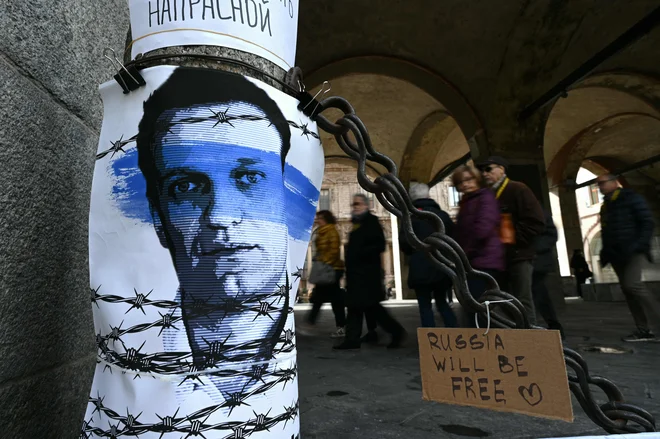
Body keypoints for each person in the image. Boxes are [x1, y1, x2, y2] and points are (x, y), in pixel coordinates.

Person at [136, 69, 292, 395]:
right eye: (187, 186)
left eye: (249, 177)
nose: (220, 216)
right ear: (158, 216)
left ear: (288, 200)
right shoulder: (128, 345)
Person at [478, 156, 545, 325]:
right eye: (482, 170)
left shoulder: (518, 189)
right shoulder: (488, 195)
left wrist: (513, 240)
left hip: (518, 256)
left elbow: (535, 221)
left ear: (502, 169)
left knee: (522, 299)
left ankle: (529, 338)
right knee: (500, 299)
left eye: (488, 169)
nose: (484, 174)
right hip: (498, 258)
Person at [335, 194, 406, 350]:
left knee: (373, 309)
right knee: (355, 308)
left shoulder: (371, 222)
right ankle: (352, 339)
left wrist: (360, 254)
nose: (356, 207)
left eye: (358, 204)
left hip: (367, 276)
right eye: (354, 204)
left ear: (367, 206)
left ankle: (397, 332)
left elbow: (379, 245)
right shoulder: (356, 224)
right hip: (357, 275)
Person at [597, 174, 660, 342]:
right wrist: (606, 252)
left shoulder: (630, 198)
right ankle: (643, 330)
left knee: (633, 285)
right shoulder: (607, 205)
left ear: (614, 182)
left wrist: (639, 245)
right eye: (598, 184)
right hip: (617, 254)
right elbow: (607, 230)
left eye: (602, 183)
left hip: (632, 250)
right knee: (628, 290)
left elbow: (647, 222)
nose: (600, 187)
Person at [399, 183, 458, 328]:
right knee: (442, 303)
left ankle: (430, 343)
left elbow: (404, 243)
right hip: (441, 266)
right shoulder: (443, 216)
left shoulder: (410, 218)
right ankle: (456, 337)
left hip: (420, 267)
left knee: (424, 307)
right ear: (428, 195)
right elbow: (453, 240)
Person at [452, 166, 505, 305]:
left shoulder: (485, 198)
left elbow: (483, 228)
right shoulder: (467, 201)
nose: (465, 184)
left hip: (484, 259)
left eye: (469, 179)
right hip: (473, 260)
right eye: (460, 182)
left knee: (479, 307)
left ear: (477, 179)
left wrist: (466, 251)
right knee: (474, 306)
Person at [304, 210, 346, 338]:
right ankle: (340, 326)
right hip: (326, 268)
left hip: (331, 269)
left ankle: (311, 323)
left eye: (320, 218)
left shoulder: (331, 231)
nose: (317, 220)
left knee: (324, 299)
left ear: (326, 219)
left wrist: (323, 263)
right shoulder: (320, 231)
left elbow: (333, 251)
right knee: (327, 298)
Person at [532, 210, 565, 338]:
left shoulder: (539, 212)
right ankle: (552, 324)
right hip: (533, 259)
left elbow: (551, 234)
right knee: (538, 294)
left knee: (539, 294)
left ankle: (553, 325)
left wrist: (534, 249)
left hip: (539, 261)